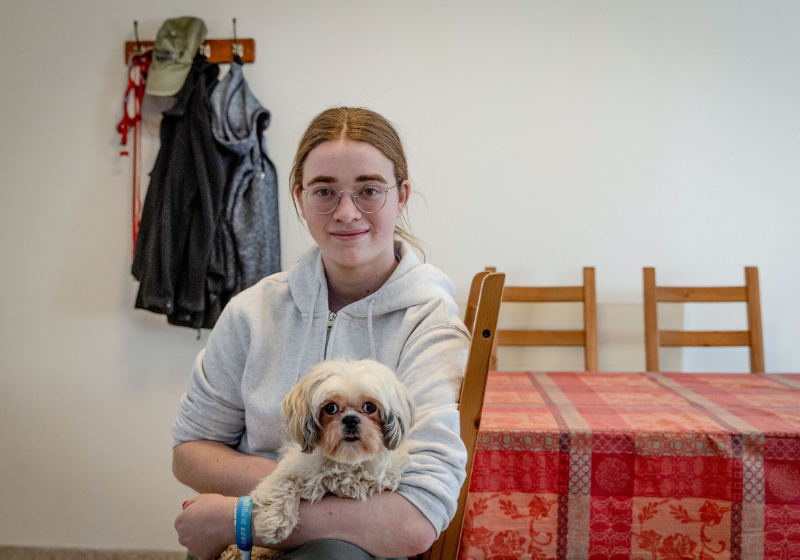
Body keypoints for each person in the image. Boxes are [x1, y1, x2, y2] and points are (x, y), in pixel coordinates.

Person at [172, 107, 470, 560]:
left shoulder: (430, 322)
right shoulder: (251, 312)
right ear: (299, 197)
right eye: (324, 191)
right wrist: (304, 476)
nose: (346, 212)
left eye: (369, 190)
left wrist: (239, 519)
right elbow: (189, 451)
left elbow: (414, 519)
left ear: (401, 195)